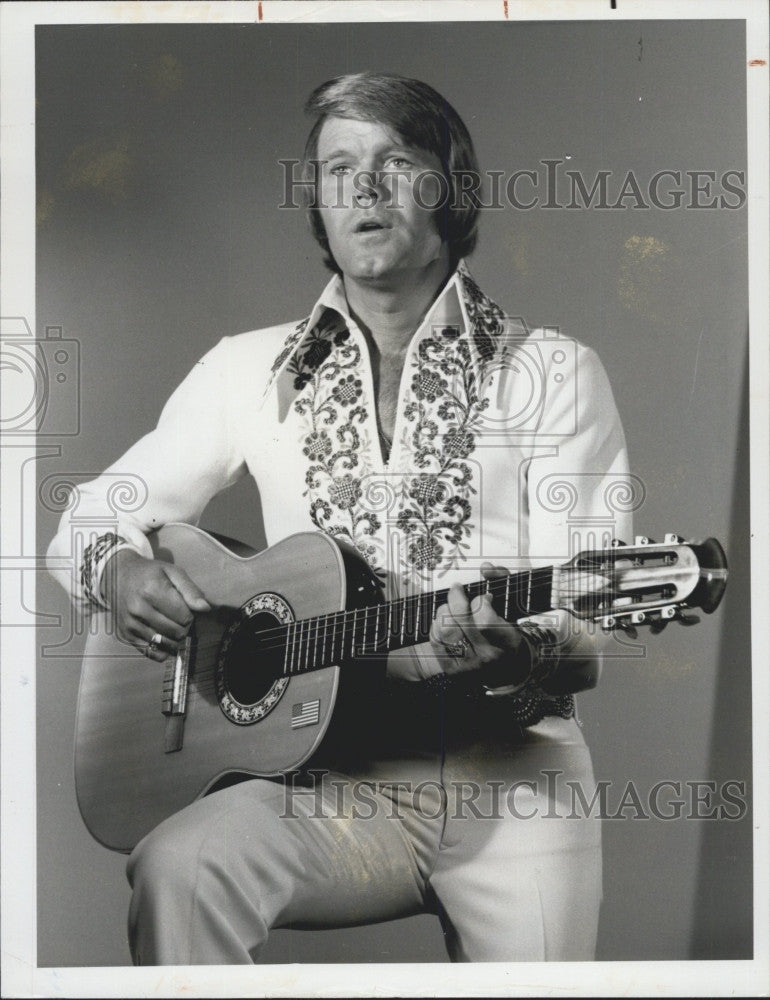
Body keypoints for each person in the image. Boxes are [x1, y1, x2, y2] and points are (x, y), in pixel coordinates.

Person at [47, 72, 632, 964]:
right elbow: (91, 516)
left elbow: (588, 619)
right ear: (317, 203)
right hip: (329, 782)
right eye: (337, 168)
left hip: (516, 783)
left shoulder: (554, 372)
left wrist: (520, 653)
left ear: (451, 187)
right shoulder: (245, 370)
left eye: (395, 162)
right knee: (180, 869)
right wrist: (118, 570)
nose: (363, 188)